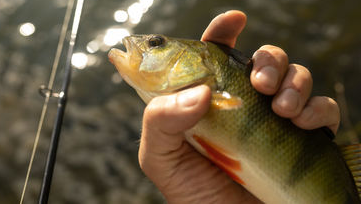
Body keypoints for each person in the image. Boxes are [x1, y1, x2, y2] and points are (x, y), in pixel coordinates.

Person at [138, 11, 340, 203]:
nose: (139, 46)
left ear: (202, 61)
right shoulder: (193, 114)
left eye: (155, 44)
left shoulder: (209, 98)